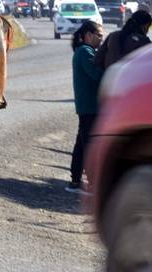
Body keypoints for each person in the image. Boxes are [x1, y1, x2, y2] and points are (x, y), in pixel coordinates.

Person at [67, 20, 104, 195]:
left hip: (87, 106)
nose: (101, 40)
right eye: (99, 36)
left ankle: (75, 180)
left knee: (82, 144)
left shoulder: (85, 51)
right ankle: (92, 183)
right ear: (88, 35)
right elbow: (96, 74)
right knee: (89, 145)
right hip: (89, 106)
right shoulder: (85, 52)